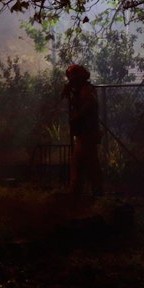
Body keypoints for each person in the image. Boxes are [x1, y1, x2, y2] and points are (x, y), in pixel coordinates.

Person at [62, 64, 103, 204]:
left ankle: (96, 198)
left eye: (72, 79)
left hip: (87, 135)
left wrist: (77, 116)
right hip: (83, 135)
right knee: (79, 165)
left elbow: (90, 103)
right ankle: (79, 196)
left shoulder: (86, 89)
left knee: (89, 166)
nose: (71, 82)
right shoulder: (81, 90)